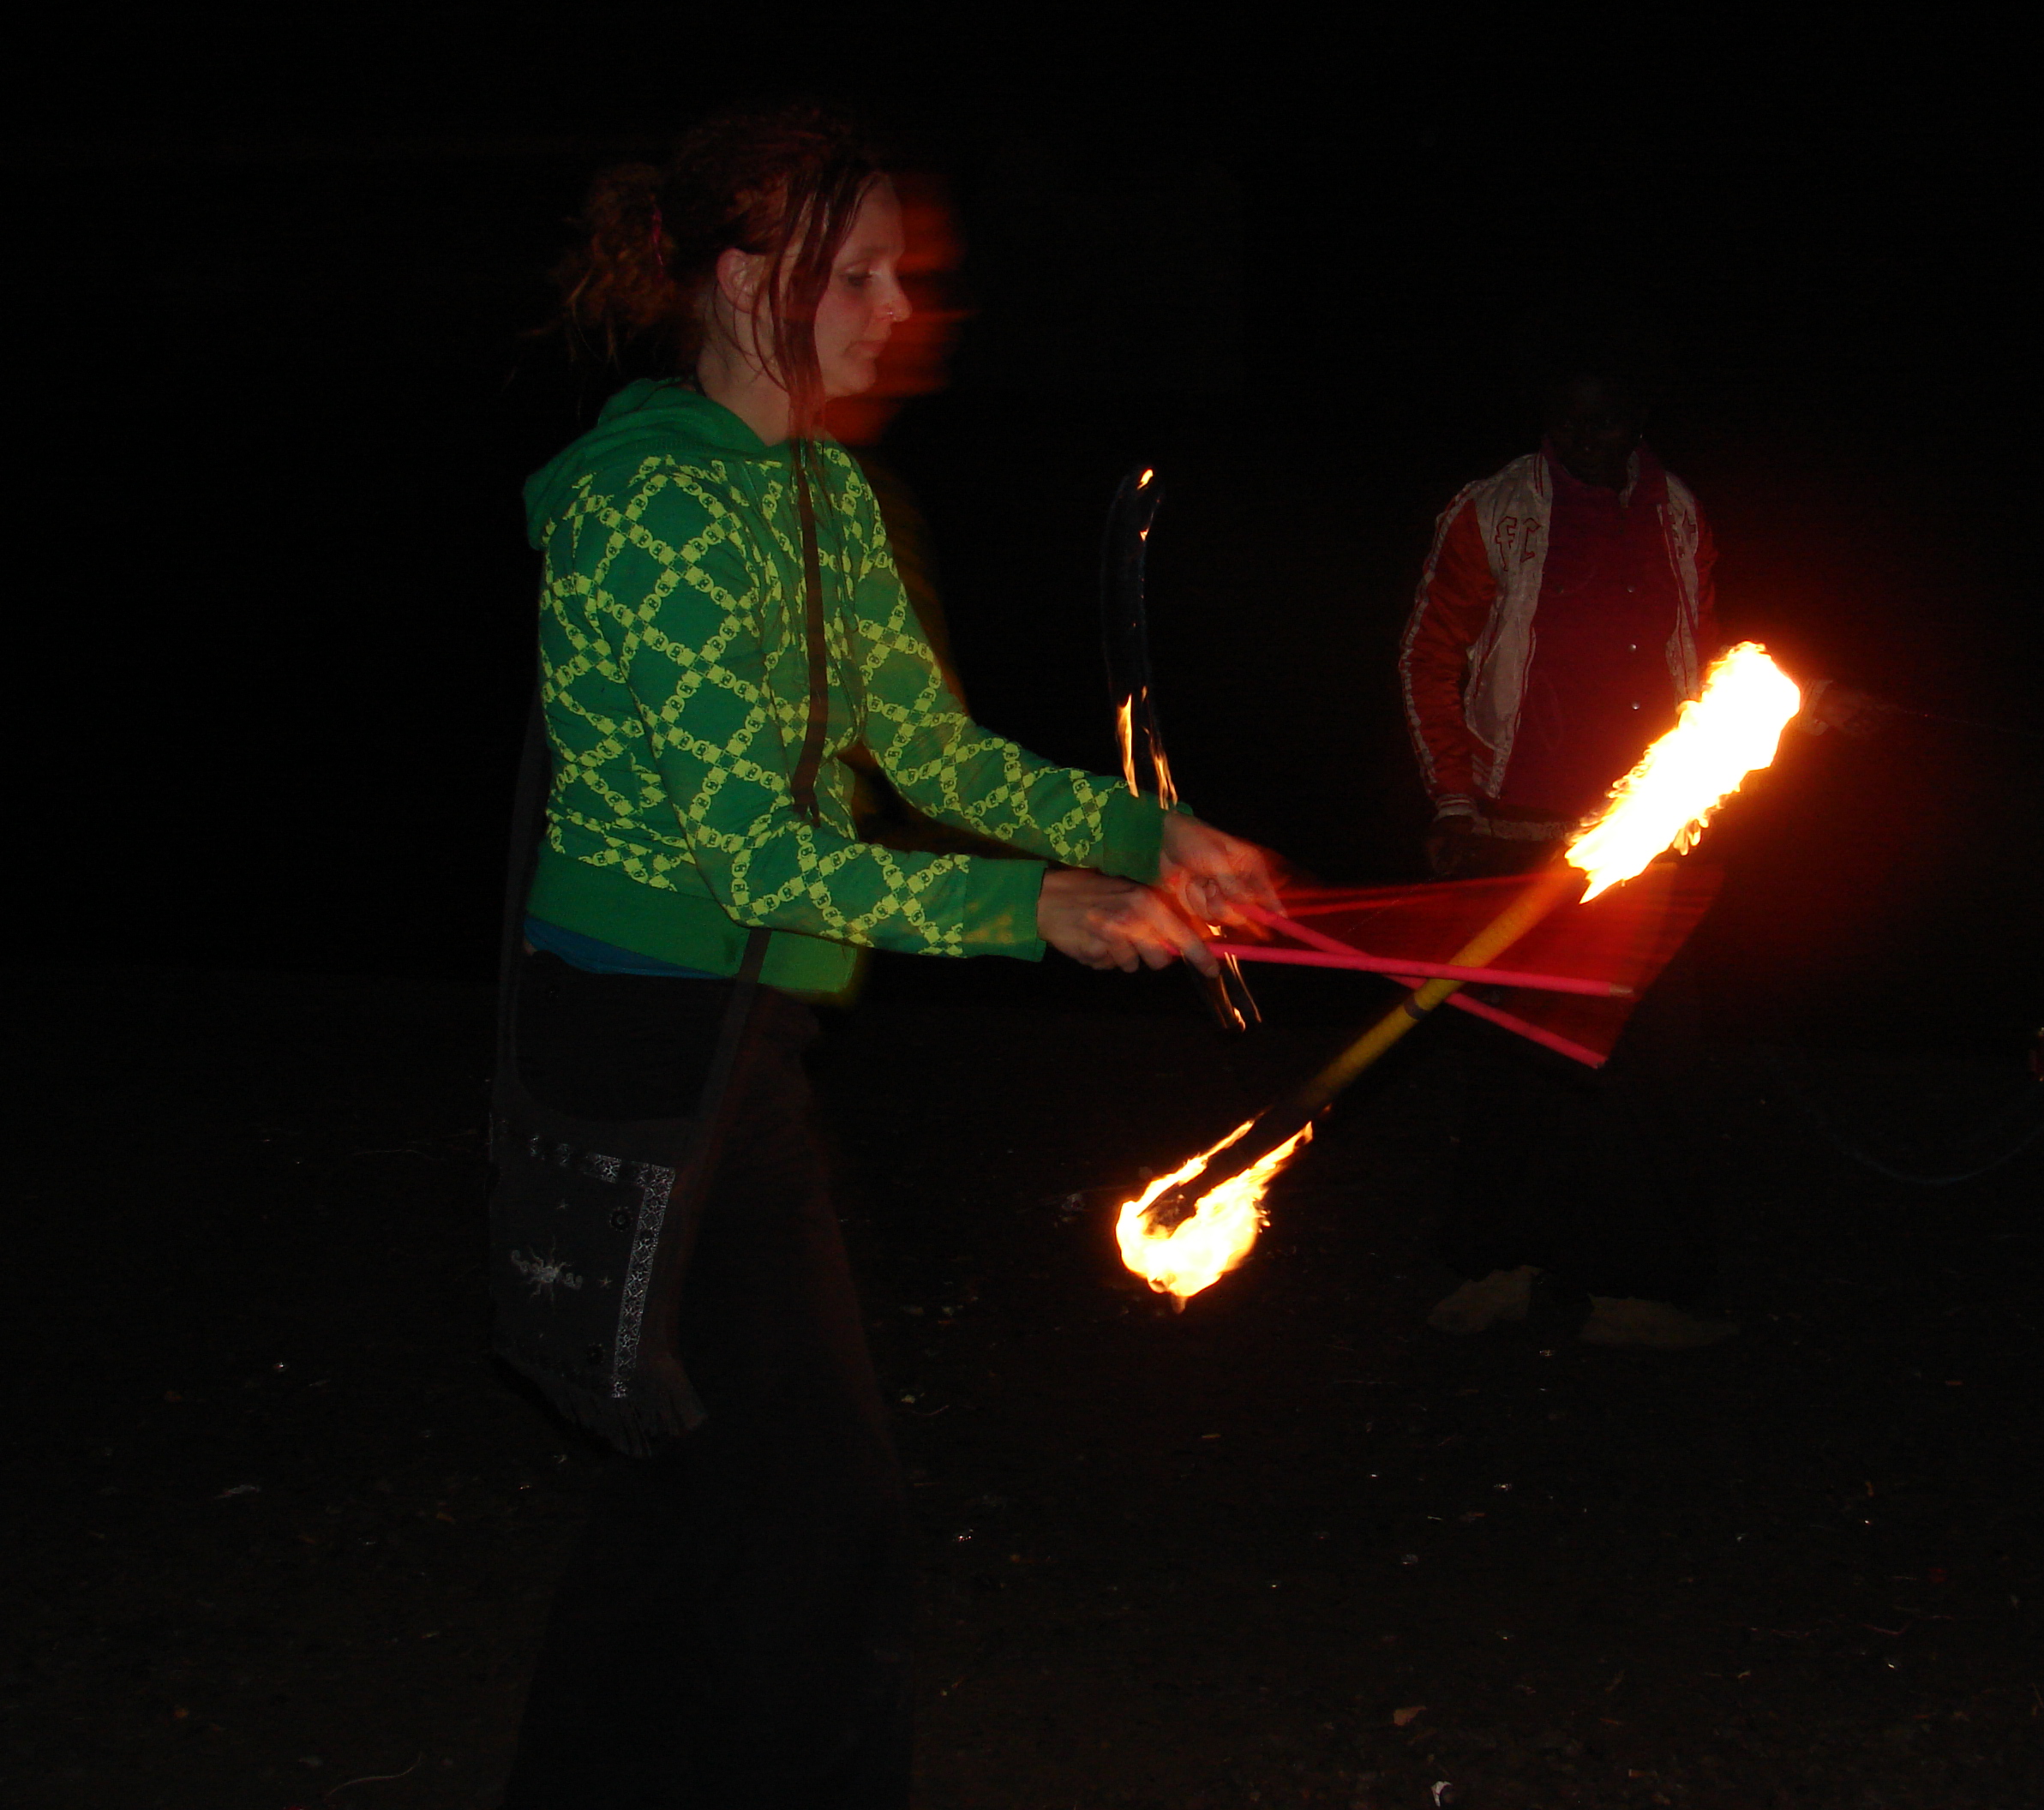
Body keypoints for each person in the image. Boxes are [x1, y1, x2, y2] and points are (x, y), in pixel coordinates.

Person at [498, 103, 1278, 1807]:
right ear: (741, 279)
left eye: (899, 273)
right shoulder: (651, 507)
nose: (899, 309)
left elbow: (926, 751)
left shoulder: (818, 491)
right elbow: (752, 855)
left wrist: (1140, 835)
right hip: (645, 1034)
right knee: (812, 1503)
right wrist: (1028, 910)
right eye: (854, 275)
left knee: (695, 1483)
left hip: (744, 1033)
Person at [1398, 322, 1865, 1349]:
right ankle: (1498, 1272)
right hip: (1516, 830)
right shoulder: (1491, 511)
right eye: (1570, 422)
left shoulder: (1677, 513)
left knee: (1652, 1063)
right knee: (1514, 1064)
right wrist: (1454, 805)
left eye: (1606, 422)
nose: (1588, 440)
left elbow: (1699, 656)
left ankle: (1637, 1290)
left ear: (1637, 420)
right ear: (1546, 420)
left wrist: (1798, 705)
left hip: (1646, 830)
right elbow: (1429, 656)